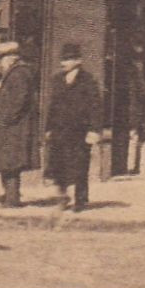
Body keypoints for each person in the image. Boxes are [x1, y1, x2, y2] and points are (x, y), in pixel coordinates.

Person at [45, 43, 101, 213]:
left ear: (78, 61)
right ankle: (62, 197)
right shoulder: (57, 80)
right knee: (58, 165)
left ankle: (81, 200)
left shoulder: (88, 81)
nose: (64, 63)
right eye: (63, 59)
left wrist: (94, 130)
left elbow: (95, 107)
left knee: (80, 166)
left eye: (68, 59)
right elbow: (52, 107)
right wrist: (48, 128)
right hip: (60, 131)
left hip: (79, 132)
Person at [0, 40, 37, 208]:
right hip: (11, 127)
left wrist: (6, 119)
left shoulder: (19, 74)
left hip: (14, 128)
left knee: (11, 164)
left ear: (10, 58)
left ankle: (12, 199)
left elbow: (19, 101)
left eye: (1, 58)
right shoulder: (15, 73)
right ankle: (9, 195)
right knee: (7, 163)